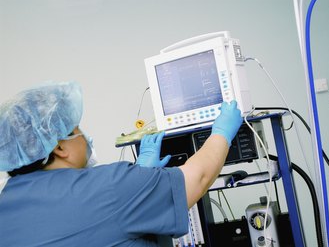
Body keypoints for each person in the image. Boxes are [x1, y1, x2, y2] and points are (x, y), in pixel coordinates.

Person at [0, 81, 243, 247]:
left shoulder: (6, 201)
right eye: (77, 130)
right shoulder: (108, 188)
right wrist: (222, 132)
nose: (84, 136)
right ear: (59, 147)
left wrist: (141, 180)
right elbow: (198, 177)